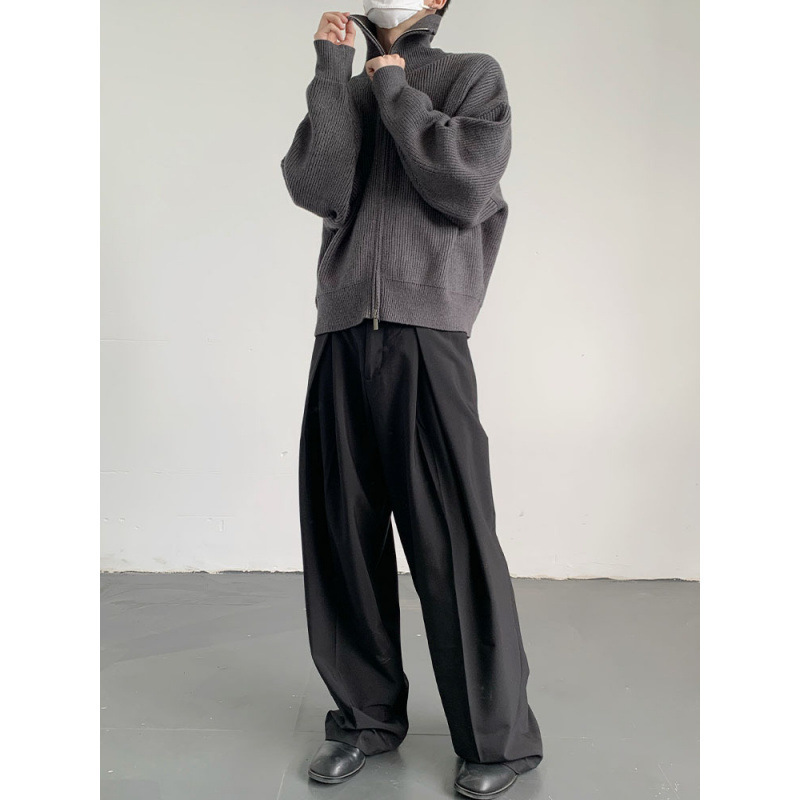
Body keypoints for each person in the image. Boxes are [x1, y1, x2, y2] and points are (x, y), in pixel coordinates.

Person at [279, 2, 544, 796]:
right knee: (342, 535)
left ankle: (496, 740)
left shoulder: (471, 76)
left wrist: (396, 89)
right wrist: (332, 76)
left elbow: (463, 184)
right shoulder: (347, 88)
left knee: (452, 538)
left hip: (428, 333)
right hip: (341, 331)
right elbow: (317, 188)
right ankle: (364, 720)